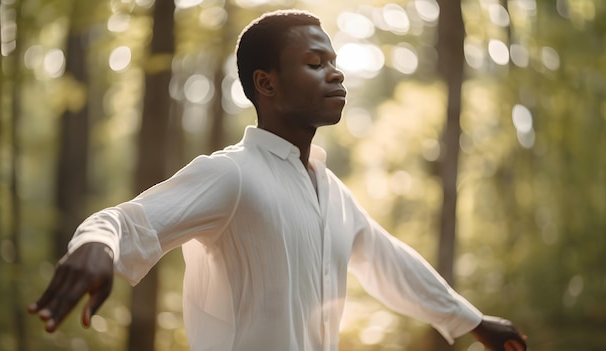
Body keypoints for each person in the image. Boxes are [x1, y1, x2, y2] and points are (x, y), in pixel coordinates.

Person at [29, 9, 528, 351]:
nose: (336, 75)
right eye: (315, 63)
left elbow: (389, 262)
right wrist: (96, 243)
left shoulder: (331, 191)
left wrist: (472, 321)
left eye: (335, 62)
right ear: (265, 83)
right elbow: (124, 222)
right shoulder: (231, 175)